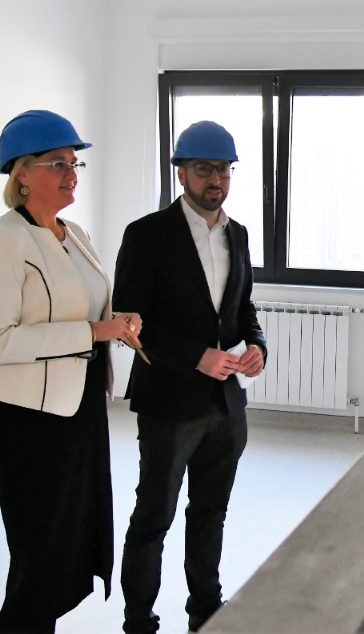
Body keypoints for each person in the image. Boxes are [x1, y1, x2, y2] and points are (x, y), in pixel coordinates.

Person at [0, 110, 142, 634]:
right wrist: (93, 332)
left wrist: (118, 322)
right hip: (24, 416)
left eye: (74, 163)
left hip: (79, 404)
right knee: (37, 550)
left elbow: (84, 308)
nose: (71, 174)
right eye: (58, 164)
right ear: (22, 173)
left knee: (69, 539)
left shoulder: (75, 233)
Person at [115, 120, 266, 634]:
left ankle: (205, 611)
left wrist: (258, 346)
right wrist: (194, 357)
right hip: (169, 402)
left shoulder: (237, 235)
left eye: (223, 169)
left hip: (226, 405)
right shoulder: (146, 235)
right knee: (154, 517)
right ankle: (139, 620)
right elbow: (129, 322)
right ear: (180, 172)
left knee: (210, 513)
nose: (215, 179)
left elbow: (243, 308)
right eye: (203, 168)